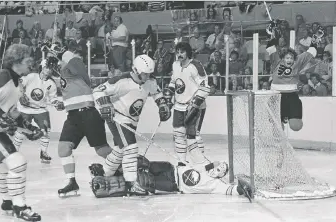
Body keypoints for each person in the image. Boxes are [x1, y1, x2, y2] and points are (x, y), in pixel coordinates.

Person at [92, 54, 171, 194]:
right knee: (131, 147)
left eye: (149, 74)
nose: (147, 77)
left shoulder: (150, 81)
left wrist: (163, 106)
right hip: (118, 118)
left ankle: (105, 173)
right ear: (135, 70)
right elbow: (98, 90)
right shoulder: (122, 81)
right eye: (144, 74)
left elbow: (157, 94)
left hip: (132, 121)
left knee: (120, 149)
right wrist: (105, 104)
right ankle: (131, 183)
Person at [45, 45, 114, 198]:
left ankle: (123, 168)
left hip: (89, 113)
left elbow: (72, 59)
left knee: (102, 150)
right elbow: (73, 92)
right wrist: (64, 104)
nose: (54, 64)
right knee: (63, 149)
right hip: (73, 116)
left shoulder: (76, 66)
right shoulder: (64, 75)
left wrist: (60, 51)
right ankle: (71, 182)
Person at [0, 44, 42, 221]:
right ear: (17, 61)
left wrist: (27, 127)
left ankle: (7, 201)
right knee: (17, 163)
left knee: (4, 165)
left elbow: (11, 112)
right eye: (28, 58)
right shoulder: (3, 76)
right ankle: (19, 206)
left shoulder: (16, 81)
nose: (32, 62)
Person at [89, 156, 254, 202]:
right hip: (170, 169)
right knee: (141, 162)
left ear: (221, 175)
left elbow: (232, 190)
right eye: (219, 166)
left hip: (173, 184)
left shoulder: (215, 184)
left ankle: (111, 188)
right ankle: (108, 171)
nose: (218, 169)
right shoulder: (204, 167)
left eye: (221, 170)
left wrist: (243, 188)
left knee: (144, 182)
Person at [163, 42, 210, 165]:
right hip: (179, 105)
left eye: (182, 51)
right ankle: (182, 162)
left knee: (193, 136)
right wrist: (169, 94)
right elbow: (174, 81)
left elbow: (205, 87)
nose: (179, 54)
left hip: (194, 106)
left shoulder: (196, 65)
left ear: (188, 52)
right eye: (177, 51)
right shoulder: (175, 65)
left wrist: (195, 103)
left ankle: (201, 163)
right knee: (178, 134)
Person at [266, 20, 318, 131]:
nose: (289, 60)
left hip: (292, 96)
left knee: (296, 126)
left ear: (294, 58)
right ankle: (279, 144)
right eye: (286, 58)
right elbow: (271, 48)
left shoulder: (297, 62)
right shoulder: (276, 61)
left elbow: (311, 52)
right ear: (282, 58)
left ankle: (288, 116)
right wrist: (271, 34)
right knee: (276, 128)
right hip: (276, 96)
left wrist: (314, 41)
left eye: (291, 58)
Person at [12, 59, 65, 163]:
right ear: (42, 67)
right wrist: (22, 95)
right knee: (21, 131)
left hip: (41, 110)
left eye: (50, 68)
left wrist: (57, 103)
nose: (48, 70)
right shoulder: (32, 76)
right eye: (47, 67)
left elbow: (52, 98)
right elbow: (19, 83)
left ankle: (43, 153)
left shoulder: (51, 84)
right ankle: (14, 153)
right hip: (25, 109)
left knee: (45, 131)